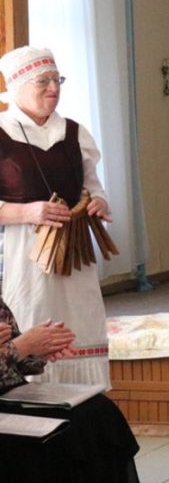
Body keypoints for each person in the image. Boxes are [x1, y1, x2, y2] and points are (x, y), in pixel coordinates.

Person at [0, 46, 112, 387]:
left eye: (57, 80)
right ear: (17, 85)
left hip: (72, 250)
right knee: (31, 313)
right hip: (21, 252)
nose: (53, 88)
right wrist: (27, 211)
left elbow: (92, 185)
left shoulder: (74, 132)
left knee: (78, 319)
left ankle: (84, 401)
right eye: (42, 81)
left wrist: (99, 202)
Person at [0, 299, 141, 483]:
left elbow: (17, 358)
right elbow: (15, 349)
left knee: (95, 412)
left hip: (10, 392)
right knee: (53, 441)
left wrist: (40, 346)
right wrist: (20, 347)